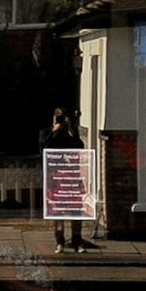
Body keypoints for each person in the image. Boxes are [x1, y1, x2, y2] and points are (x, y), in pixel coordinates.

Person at [41, 107, 95, 253]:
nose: (60, 119)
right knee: (57, 213)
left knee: (75, 212)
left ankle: (77, 241)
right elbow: (44, 148)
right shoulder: (46, 133)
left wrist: (71, 130)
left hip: (71, 177)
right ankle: (60, 242)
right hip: (55, 179)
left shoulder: (72, 134)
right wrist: (54, 131)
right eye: (58, 116)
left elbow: (80, 148)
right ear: (53, 117)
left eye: (63, 117)